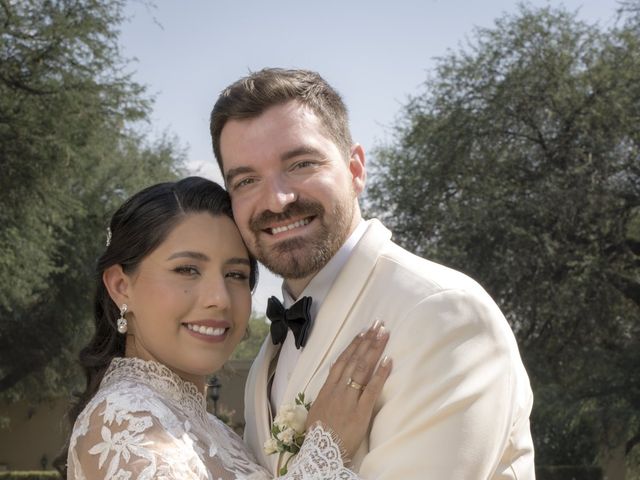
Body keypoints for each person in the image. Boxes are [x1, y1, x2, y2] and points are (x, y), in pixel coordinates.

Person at [209, 68, 536, 479]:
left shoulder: (443, 313)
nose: (277, 200)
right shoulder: (267, 358)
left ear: (355, 169)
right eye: (246, 180)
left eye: (300, 164)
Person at [57, 176, 392, 479]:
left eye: (235, 275)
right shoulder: (123, 418)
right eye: (187, 270)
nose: (219, 298)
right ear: (120, 286)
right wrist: (324, 452)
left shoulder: (212, 429)